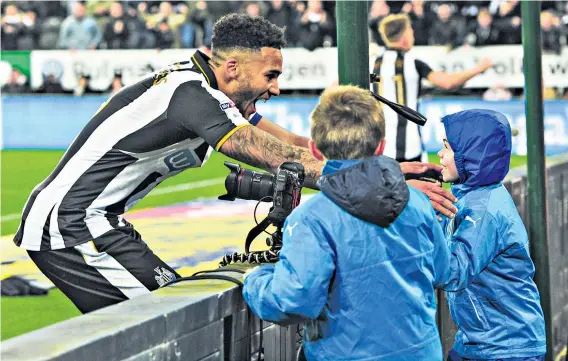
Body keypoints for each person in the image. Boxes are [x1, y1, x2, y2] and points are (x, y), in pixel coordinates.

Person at [15, 14, 453, 314]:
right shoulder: (192, 95)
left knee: (175, 315)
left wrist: (389, 166)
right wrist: (378, 187)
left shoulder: (218, 93)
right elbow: (277, 156)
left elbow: (301, 145)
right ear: (231, 67)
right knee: (170, 321)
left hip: (100, 222)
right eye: (271, 76)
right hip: (71, 226)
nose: (276, 89)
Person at [242, 85, 452, 361]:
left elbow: (293, 301)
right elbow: (442, 271)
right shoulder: (419, 202)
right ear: (381, 147)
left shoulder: (312, 217)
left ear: (315, 151)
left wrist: (255, 280)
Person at [437, 109, 546, 361]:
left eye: (447, 147)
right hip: (479, 341)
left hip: (506, 348)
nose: (441, 154)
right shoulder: (473, 196)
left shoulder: (483, 209)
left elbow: (452, 273)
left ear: (472, 155)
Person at [372, 13, 492, 163]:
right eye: (411, 30)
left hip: (378, 146)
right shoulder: (413, 63)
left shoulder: (372, 63)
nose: (413, 34)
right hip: (410, 147)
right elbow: (448, 83)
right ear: (404, 36)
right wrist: (478, 68)